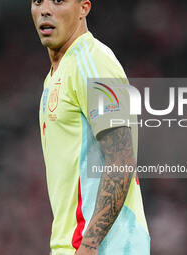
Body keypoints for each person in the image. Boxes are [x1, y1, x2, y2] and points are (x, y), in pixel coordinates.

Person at [31, 0, 150, 254]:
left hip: (107, 247)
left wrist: (89, 243)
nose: (45, 10)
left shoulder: (92, 61)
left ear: (84, 8)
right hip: (72, 245)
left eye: (59, 0)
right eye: (37, 1)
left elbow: (121, 159)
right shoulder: (56, 75)